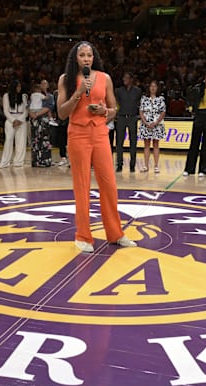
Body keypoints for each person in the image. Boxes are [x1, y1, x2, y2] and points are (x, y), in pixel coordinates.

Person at [56, 40, 136, 253]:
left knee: (109, 185)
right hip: (78, 134)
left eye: (89, 55)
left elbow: (113, 109)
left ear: (94, 58)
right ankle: (83, 236)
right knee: (82, 186)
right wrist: (78, 92)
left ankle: (115, 233)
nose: (86, 59)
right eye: (82, 55)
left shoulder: (105, 78)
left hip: (100, 133)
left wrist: (104, 111)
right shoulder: (66, 79)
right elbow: (62, 113)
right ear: (75, 58)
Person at [114, 72, 142, 172]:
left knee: (133, 142)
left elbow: (139, 103)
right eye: (123, 78)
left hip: (132, 117)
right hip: (121, 117)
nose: (124, 79)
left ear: (131, 79)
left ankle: (132, 165)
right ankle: (119, 164)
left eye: (126, 78)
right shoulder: (118, 91)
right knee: (119, 142)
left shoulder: (137, 91)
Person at [138, 80, 166, 173]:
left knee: (156, 144)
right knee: (146, 145)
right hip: (146, 124)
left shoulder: (161, 99)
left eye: (155, 86)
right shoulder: (144, 98)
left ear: (157, 88)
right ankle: (145, 166)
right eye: (151, 86)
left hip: (157, 125)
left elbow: (163, 112)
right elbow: (141, 111)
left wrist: (156, 122)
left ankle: (156, 166)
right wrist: (145, 122)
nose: (153, 88)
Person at [0, 80, 28, 168]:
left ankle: (18, 162)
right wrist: (13, 120)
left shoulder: (23, 96)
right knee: (9, 140)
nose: (19, 88)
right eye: (18, 86)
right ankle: (5, 162)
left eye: (20, 86)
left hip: (21, 121)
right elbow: (5, 111)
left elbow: (26, 111)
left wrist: (19, 120)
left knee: (21, 142)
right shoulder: (6, 96)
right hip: (10, 121)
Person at [29, 79, 55, 167]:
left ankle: (45, 160)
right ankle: (35, 161)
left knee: (44, 140)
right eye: (42, 83)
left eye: (45, 83)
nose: (43, 85)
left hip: (43, 120)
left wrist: (37, 114)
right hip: (34, 120)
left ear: (48, 86)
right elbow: (29, 105)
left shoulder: (50, 96)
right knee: (35, 140)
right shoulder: (33, 95)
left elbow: (49, 107)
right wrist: (32, 114)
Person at [51, 88, 69, 166]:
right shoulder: (56, 93)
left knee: (70, 141)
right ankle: (63, 157)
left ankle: (72, 159)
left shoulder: (72, 92)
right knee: (61, 141)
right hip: (60, 121)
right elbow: (55, 107)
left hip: (71, 120)